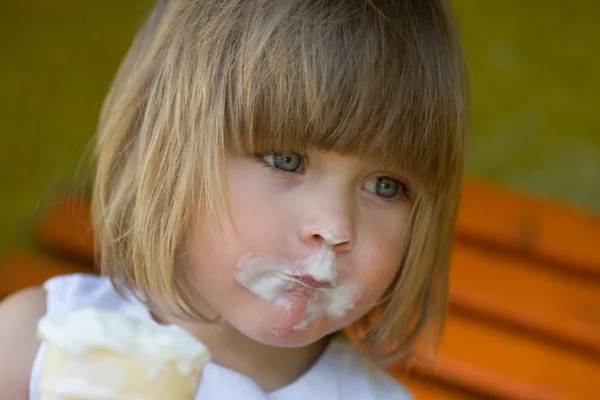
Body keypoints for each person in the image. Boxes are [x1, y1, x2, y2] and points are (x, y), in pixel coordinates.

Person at [0, 0, 469, 398]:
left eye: (385, 186)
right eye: (285, 160)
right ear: (168, 153)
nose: (335, 226)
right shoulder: (36, 345)